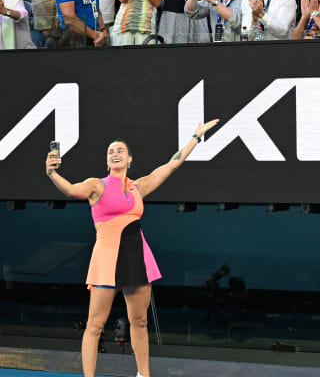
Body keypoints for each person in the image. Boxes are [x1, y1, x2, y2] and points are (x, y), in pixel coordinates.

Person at [44, 119, 220, 377]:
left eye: (120, 151)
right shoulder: (96, 185)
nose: (115, 154)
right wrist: (52, 173)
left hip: (137, 257)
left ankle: (143, 374)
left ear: (129, 159)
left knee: (140, 321)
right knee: (95, 325)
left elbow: (172, 164)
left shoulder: (139, 187)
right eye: (111, 152)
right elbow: (70, 190)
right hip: (107, 259)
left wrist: (195, 137)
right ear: (107, 161)